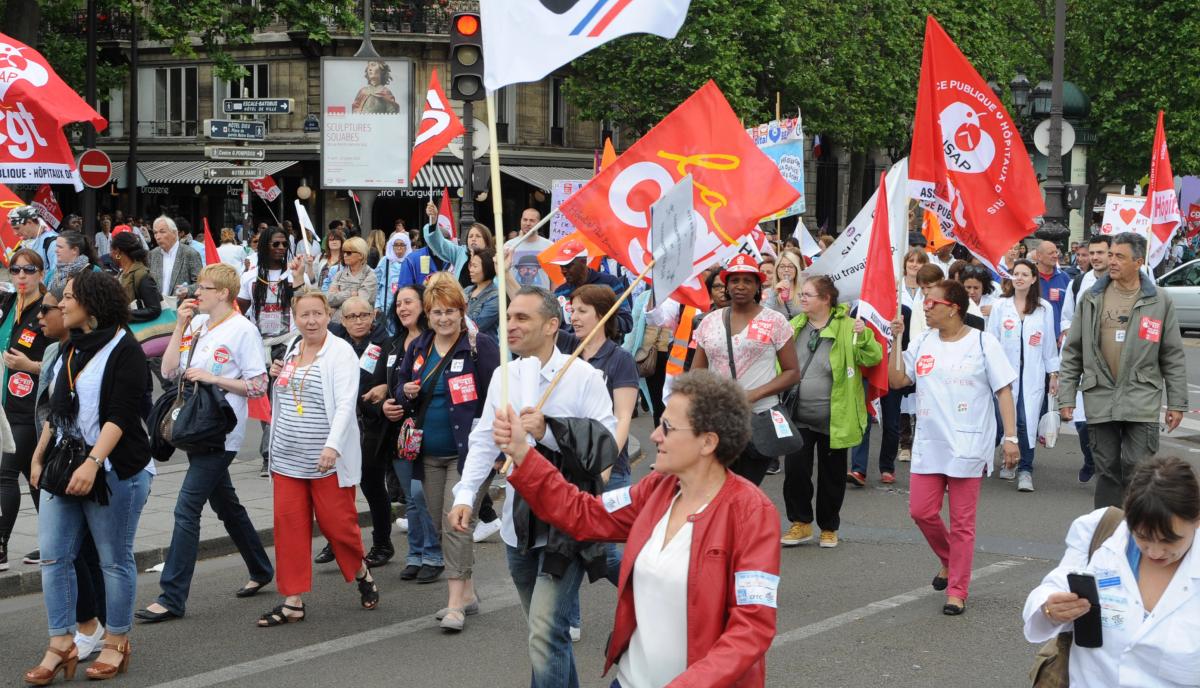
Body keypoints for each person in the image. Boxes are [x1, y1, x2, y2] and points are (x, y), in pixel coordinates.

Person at [495, 370, 779, 687]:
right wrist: (522, 452)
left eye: (667, 427)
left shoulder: (752, 514)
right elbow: (584, 513)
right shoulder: (657, 489)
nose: (655, 435)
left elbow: (752, 627)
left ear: (708, 442)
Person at [447, 286, 616, 684]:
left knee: (543, 630)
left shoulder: (584, 376)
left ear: (552, 324)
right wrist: (467, 494)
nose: (511, 325)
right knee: (546, 633)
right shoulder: (505, 376)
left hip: (567, 527)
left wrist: (549, 431)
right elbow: (484, 439)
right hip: (516, 526)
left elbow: (605, 444)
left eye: (522, 318)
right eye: (508, 317)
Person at [24, 270, 152, 682]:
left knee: (113, 560)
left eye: (68, 297)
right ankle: (60, 642)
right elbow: (58, 410)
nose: (60, 304)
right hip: (65, 466)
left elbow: (121, 415)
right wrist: (39, 456)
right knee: (54, 557)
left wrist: (93, 463)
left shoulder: (125, 348)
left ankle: (116, 642)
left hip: (116, 469)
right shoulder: (68, 349)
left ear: (92, 304)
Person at [135, 265, 274, 624]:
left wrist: (215, 378)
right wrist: (180, 325)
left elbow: (258, 385)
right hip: (194, 427)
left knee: (186, 510)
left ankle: (172, 597)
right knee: (227, 506)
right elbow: (167, 372)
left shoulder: (243, 330)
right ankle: (261, 568)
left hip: (221, 433)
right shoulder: (197, 325)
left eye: (205, 287)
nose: (198, 292)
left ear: (225, 293)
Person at [888, 279, 1019, 615]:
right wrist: (895, 340)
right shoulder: (922, 342)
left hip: (968, 443)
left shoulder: (982, 342)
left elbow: (1003, 390)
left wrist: (1010, 438)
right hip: (930, 443)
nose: (925, 308)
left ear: (953, 307)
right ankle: (949, 559)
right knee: (921, 511)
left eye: (932, 303)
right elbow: (897, 381)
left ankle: (957, 590)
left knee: (962, 523)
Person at [258, 288, 379, 627]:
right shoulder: (293, 349)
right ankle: (293, 600)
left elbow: (344, 403)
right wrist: (276, 376)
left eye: (317, 314)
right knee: (289, 528)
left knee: (338, 527)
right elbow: (285, 397)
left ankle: (361, 571)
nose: (310, 320)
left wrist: (332, 446)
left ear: (329, 316)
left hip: (325, 461)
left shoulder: (339, 352)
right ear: (295, 318)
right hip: (287, 458)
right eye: (303, 315)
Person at [1023, 457, 1200, 687]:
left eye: (1169, 540)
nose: (1155, 552)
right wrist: (1050, 609)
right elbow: (1055, 586)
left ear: (1197, 519)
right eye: (1143, 537)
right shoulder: (1102, 533)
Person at [393, 273, 499, 630]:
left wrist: (499, 449)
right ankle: (467, 593)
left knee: (458, 524)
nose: (443, 319)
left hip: (468, 454)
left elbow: (497, 397)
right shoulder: (419, 347)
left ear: (462, 310)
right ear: (428, 313)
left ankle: (454, 604)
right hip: (428, 454)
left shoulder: (479, 346)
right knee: (440, 525)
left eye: (450, 311)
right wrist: (403, 391)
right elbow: (400, 390)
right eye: (436, 312)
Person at [1057, 232, 1187, 508]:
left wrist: (1177, 402)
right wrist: (1066, 397)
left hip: (1142, 394)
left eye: (1119, 256)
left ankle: (1137, 529)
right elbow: (1073, 351)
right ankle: (1107, 533)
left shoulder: (1159, 300)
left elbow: (1172, 354)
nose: (1111, 261)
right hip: (1100, 393)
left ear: (1138, 261)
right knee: (1107, 470)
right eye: (1111, 254)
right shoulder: (1092, 297)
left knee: (1139, 468)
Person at [781, 275, 881, 548]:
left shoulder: (850, 327)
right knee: (796, 472)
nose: (802, 298)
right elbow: (778, 362)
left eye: (808, 295)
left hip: (835, 417)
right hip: (797, 414)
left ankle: (828, 527)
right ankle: (800, 523)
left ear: (826, 299)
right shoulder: (794, 326)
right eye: (802, 294)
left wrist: (862, 338)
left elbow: (873, 357)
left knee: (832, 476)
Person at [691, 254, 800, 485]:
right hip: (717, 420)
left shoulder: (775, 321)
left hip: (758, 420)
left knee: (745, 489)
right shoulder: (708, 322)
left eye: (747, 281)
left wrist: (751, 395)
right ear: (727, 286)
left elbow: (792, 372)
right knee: (715, 488)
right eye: (734, 280)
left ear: (758, 286)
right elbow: (697, 373)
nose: (740, 286)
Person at [311, 296, 395, 570]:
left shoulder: (387, 343)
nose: (358, 321)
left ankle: (382, 543)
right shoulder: (334, 343)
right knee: (338, 487)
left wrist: (383, 391)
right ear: (342, 321)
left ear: (373, 316)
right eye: (352, 317)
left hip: (372, 424)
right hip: (341, 424)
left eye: (364, 315)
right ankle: (338, 541)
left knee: (372, 485)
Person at [379, 284, 442, 581]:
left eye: (409, 302)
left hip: (426, 429)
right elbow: (383, 383)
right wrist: (384, 402)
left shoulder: (435, 342)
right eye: (399, 303)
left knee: (422, 494)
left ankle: (433, 553)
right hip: (398, 433)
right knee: (412, 498)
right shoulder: (394, 343)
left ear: (424, 305)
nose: (403, 308)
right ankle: (415, 554)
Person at [986, 259, 1060, 492]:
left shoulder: (1043, 308)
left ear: (1033, 279)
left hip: (1033, 375)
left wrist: (1053, 374)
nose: (1019, 278)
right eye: (1015, 273)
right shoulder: (1000, 306)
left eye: (1024, 274)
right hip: (1004, 375)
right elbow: (991, 341)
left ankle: (1026, 469)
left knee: (1026, 422)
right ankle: (1008, 461)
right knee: (1004, 421)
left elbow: (1048, 343)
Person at [239, 227, 304, 476]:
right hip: (260, 346)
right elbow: (240, 310)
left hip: (289, 342)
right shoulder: (251, 277)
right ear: (264, 246)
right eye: (275, 244)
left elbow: (304, 301)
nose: (280, 249)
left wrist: (300, 276)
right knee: (267, 400)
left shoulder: (293, 273)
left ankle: (279, 452)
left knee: (284, 397)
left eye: (283, 245)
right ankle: (268, 455)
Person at [0, 250, 50, 571]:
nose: (20, 276)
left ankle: (1, 547)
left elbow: (63, 360)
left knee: (5, 473)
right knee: (34, 478)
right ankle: (53, 540)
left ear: (40, 274)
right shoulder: (8, 306)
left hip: (31, 407)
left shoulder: (48, 310)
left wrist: (28, 365)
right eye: (14, 270)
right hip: (7, 403)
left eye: (28, 270)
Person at [1059, 235, 1112, 484]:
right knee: (1082, 424)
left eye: (1101, 252)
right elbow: (1067, 317)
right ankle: (1090, 459)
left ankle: (1106, 469)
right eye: (1092, 253)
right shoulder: (1080, 282)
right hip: (1084, 360)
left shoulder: (1120, 283)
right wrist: (1069, 331)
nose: (1095, 257)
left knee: (1107, 423)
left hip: (1111, 362)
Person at [547, 240, 633, 336]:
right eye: (561, 266)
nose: (563, 270)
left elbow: (627, 323)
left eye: (568, 266)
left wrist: (597, 317)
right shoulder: (560, 292)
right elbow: (555, 328)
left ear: (583, 262)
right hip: (572, 350)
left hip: (606, 348)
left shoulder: (610, 283)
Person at [422, 201, 496, 285]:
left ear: (486, 240)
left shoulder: (494, 259)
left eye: (478, 236)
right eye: (470, 236)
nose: (473, 239)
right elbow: (439, 243)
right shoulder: (460, 253)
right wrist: (434, 219)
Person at [110, 232, 163, 324]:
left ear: (118, 251)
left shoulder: (141, 274)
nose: (110, 254)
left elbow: (154, 309)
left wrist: (122, 315)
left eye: (111, 250)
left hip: (141, 334)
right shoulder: (123, 273)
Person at [325, 237, 377, 325]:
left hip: (359, 325)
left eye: (349, 253)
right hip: (337, 323)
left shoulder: (370, 275)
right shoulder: (339, 274)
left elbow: (360, 303)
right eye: (343, 252)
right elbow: (329, 299)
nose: (344, 255)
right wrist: (351, 294)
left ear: (360, 255)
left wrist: (339, 297)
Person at [148, 216, 202, 298]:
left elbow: (201, 283)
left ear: (174, 233)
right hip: (158, 308)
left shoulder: (190, 253)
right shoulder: (152, 254)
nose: (158, 237)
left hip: (181, 307)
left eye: (162, 232)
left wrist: (187, 290)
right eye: (155, 233)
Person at [374, 232, 411, 334]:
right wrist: (377, 305)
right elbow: (376, 284)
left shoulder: (410, 261)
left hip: (405, 306)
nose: (399, 248)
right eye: (396, 245)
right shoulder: (385, 261)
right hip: (385, 306)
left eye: (402, 245)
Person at [9, 206, 58, 283]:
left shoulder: (52, 242)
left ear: (29, 222)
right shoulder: (24, 243)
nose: (15, 233)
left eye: (17, 228)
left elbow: (57, 275)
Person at [1034, 240, 1071, 341]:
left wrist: (1064, 331)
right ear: (1039, 256)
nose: (1055, 256)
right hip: (1035, 337)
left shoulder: (1064, 278)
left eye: (1056, 252)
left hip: (1058, 338)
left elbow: (1070, 309)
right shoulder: (1030, 277)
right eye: (1051, 253)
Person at [465, 249, 500, 339]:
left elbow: (476, 326)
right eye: (470, 266)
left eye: (475, 266)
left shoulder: (496, 297)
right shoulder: (467, 290)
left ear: (487, 268)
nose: (471, 270)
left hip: (484, 349)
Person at [764, 249, 804, 317]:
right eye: (782, 266)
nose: (786, 270)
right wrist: (774, 293)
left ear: (796, 270)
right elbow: (763, 316)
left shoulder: (804, 292)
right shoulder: (767, 293)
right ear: (777, 270)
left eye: (790, 266)